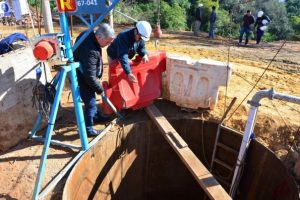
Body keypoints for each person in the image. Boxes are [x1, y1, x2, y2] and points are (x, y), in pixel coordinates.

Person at [73, 23, 115, 136]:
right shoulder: (91, 51)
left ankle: (96, 117)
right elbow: (90, 77)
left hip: (85, 72)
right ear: (99, 37)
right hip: (82, 76)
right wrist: (100, 89)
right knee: (90, 102)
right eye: (108, 41)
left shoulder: (88, 34)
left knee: (92, 99)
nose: (109, 44)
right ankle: (88, 129)